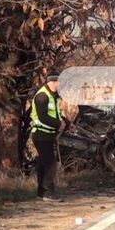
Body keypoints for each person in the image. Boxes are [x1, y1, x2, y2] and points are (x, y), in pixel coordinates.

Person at [30, 67, 73, 201]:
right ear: (50, 82)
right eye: (57, 82)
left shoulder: (54, 97)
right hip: (40, 134)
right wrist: (58, 124)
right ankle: (48, 193)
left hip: (49, 135)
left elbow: (57, 115)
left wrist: (68, 123)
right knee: (51, 165)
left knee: (43, 164)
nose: (58, 85)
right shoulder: (42, 96)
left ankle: (41, 193)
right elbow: (43, 117)